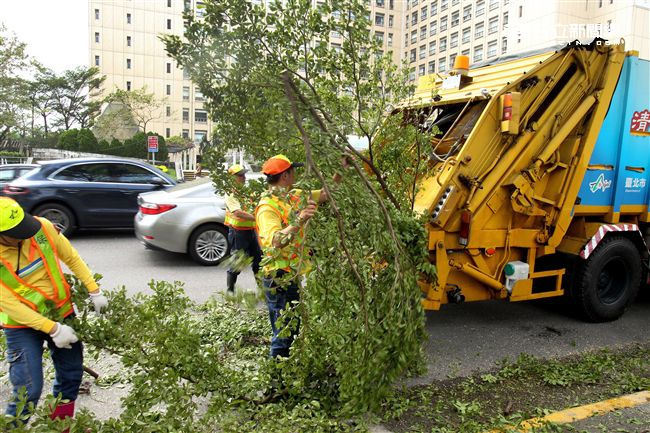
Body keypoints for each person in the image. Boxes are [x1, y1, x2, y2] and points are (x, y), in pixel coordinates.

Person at [0, 197, 108, 428]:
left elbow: (71, 257)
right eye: (16, 232)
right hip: (21, 325)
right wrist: (53, 329)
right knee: (28, 389)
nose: (25, 234)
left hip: (61, 312)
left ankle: (60, 428)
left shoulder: (41, 229)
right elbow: (10, 305)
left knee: (70, 376)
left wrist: (94, 290)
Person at [255, 154, 343, 358]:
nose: (296, 173)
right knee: (283, 334)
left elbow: (326, 193)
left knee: (292, 327)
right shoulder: (267, 207)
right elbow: (276, 241)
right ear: (285, 175)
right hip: (277, 278)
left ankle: (285, 375)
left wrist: (342, 168)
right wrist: (301, 219)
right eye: (293, 171)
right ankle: (274, 385)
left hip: (291, 274)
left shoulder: (294, 194)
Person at [224, 164, 262, 293]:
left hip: (251, 231)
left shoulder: (246, 191)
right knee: (237, 263)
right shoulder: (231, 193)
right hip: (238, 233)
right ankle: (230, 291)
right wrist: (259, 218)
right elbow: (238, 213)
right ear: (231, 178)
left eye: (244, 175)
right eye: (240, 175)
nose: (243, 177)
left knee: (258, 260)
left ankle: (263, 290)